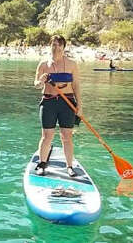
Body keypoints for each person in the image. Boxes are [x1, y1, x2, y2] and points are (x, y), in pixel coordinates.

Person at [33, 35, 82, 177]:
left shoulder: (72, 64)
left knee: (66, 136)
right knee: (47, 136)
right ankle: (42, 163)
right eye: (54, 45)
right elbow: (36, 85)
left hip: (67, 103)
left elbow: (76, 85)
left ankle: (69, 166)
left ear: (64, 47)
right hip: (48, 102)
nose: (56, 48)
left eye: (59, 45)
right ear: (50, 46)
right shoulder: (43, 64)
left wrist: (80, 105)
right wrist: (41, 81)